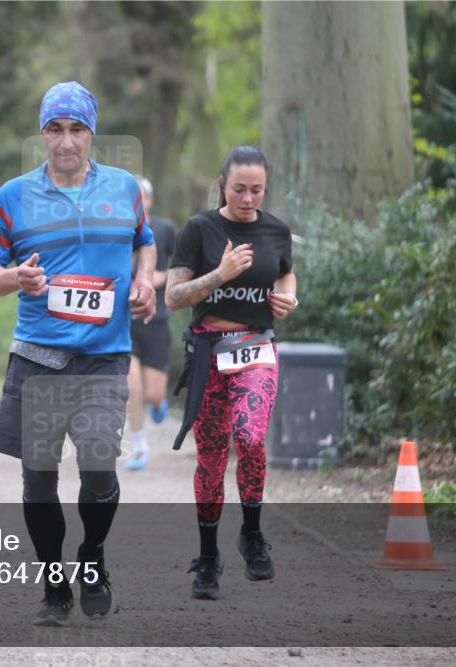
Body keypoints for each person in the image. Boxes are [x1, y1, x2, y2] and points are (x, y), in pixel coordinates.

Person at [0, 81, 156, 626]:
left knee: (99, 467)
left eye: (77, 129)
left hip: (104, 356)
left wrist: (145, 281)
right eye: (55, 129)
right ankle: (54, 585)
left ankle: (92, 555)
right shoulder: (13, 196)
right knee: (38, 479)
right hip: (39, 358)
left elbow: (143, 241)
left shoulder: (124, 188)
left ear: (91, 133)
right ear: (42, 134)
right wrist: (15, 277)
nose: (66, 141)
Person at [165, 145, 297, 600]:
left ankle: (253, 534)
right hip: (209, 353)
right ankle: (208, 558)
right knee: (212, 458)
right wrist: (219, 274)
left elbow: (285, 274)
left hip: (256, 348)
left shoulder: (277, 230)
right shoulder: (200, 229)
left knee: (251, 436)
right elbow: (174, 297)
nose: (247, 198)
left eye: (256, 190)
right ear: (223, 183)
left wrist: (288, 297)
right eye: (239, 188)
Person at [125, 175, 178, 471]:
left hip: (156, 320)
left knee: (153, 393)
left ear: (149, 200)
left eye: (141, 197)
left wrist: (162, 276)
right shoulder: (115, 230)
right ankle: (140, 448)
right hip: (125, 320)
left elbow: (186, 265)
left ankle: (159, 403)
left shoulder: (165, 229)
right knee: (132, 388)